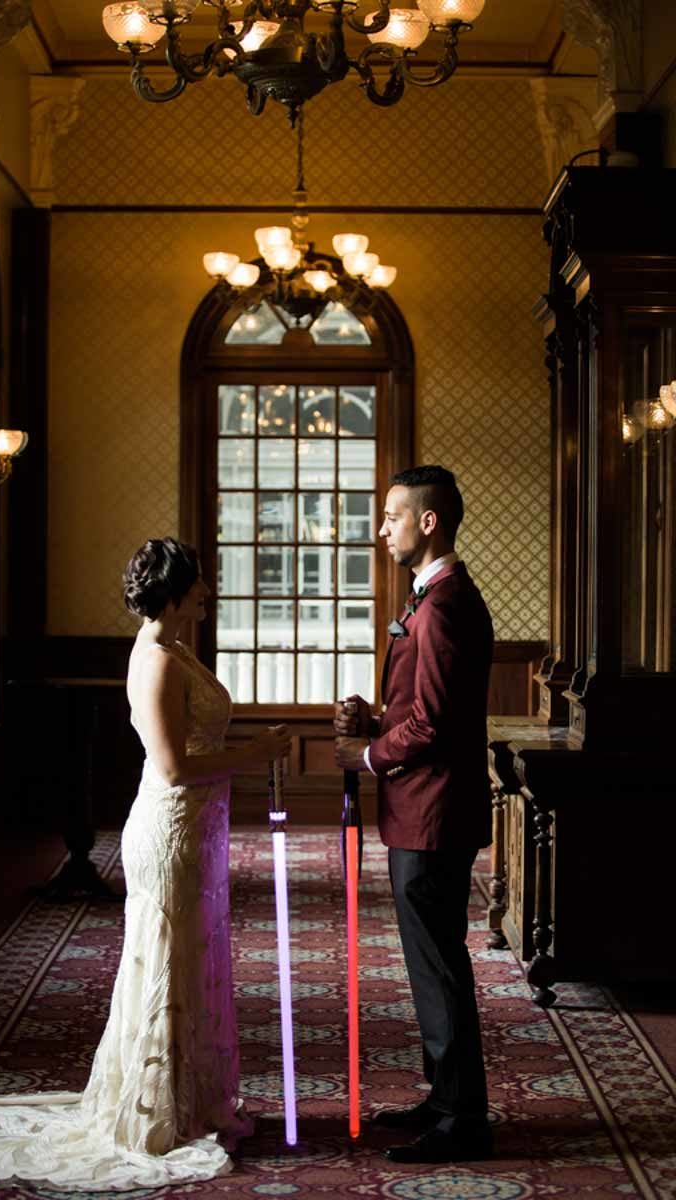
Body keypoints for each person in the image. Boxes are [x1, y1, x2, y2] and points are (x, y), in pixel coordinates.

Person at [0, 537, 291, 1191]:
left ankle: (190, 1102)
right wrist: (255, 752)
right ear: (178, 592)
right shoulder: (154, 659)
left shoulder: (179, 649)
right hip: (169, 831)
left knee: (191, 959)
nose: (209, 591)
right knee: (166, 963)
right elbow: (174, 767)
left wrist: (247, 752)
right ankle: (155, 1117)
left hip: (198, 831)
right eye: (201, 582)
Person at [334, 466, 494, 1164]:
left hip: (432, 815)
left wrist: (365, 757)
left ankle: (463, 1119)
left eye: (393, 516)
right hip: (425, 810)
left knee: (439, 967)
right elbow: (429, 710)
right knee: (434, 964)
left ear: (428, 522)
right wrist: (375, 718)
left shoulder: (444, 605)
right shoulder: (434, 600)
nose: (382, 528)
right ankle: (444, 1097)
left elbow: (430, 725)